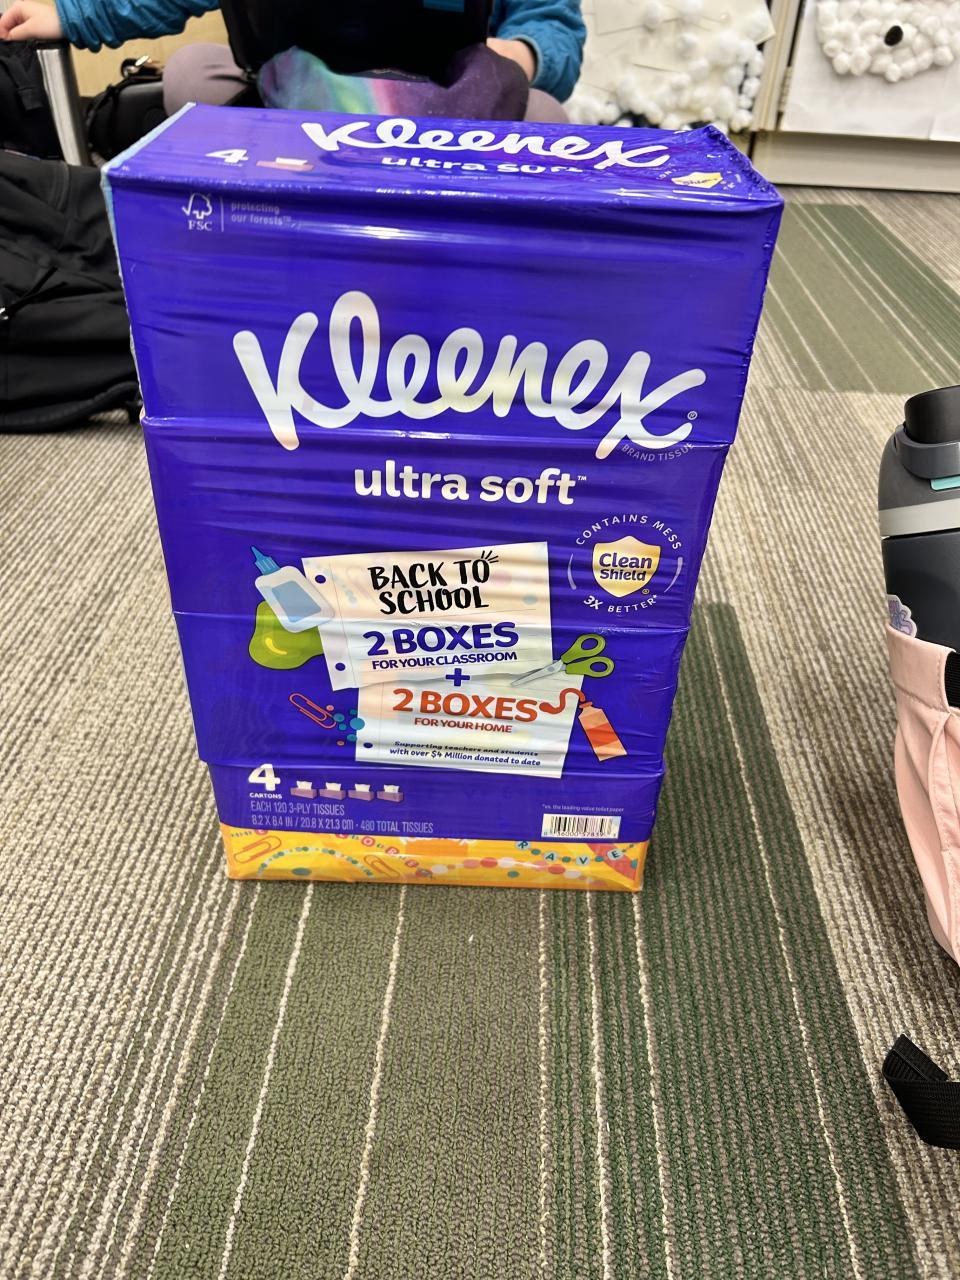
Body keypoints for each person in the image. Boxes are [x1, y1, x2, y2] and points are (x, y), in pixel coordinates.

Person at [0, 0, 584, 121]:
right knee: (192, 72)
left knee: (545, 114)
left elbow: (553, 25)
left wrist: (521, 53)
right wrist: (73, 15)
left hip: (451, 107)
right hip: (299, 96)